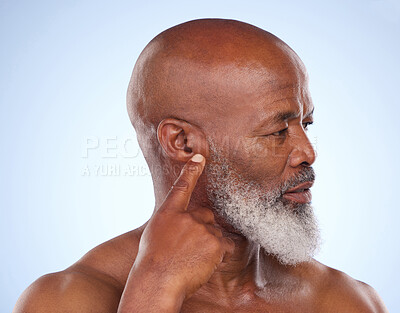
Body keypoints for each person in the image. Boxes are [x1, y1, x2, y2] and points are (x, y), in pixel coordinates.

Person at [13, 18, 388, 313]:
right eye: (277, 131)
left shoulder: (343, 301)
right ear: (182, 142)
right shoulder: (65, 301)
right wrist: (155, 290)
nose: (307, 151)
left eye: (305, 124)